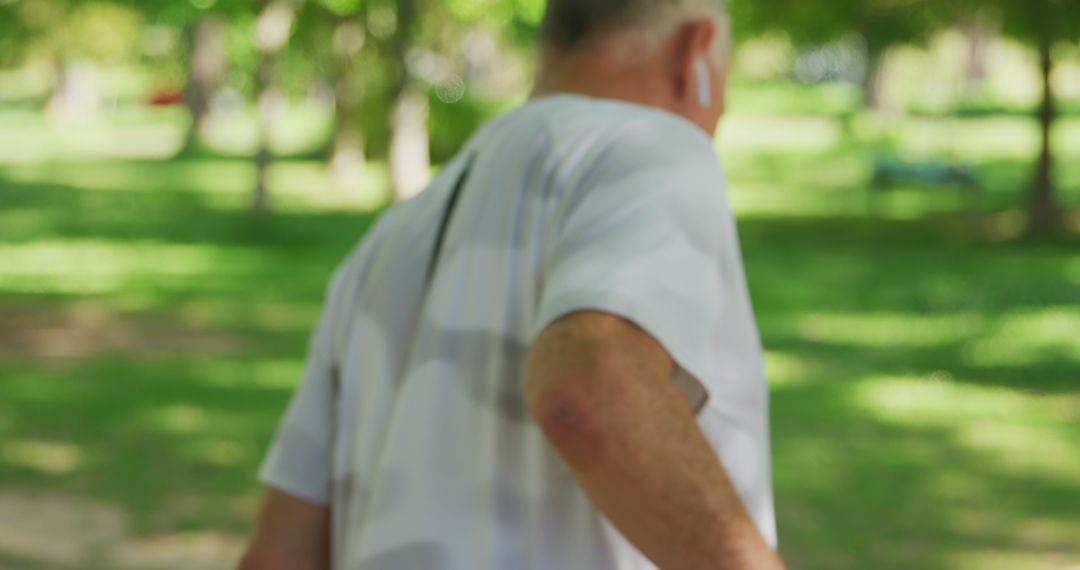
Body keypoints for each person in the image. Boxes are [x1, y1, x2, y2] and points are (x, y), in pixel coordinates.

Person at [239, 0, 784, 568]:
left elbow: (277, 553)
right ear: (693, 53)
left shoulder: (391, 238)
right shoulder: (657, 149)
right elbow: (590, 387)